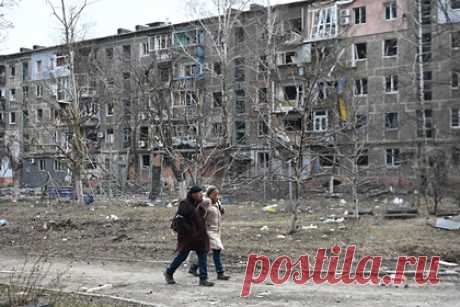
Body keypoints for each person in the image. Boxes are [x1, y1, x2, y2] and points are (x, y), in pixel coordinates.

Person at [164, 186, 214, 286]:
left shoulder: (200, 204)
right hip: (187, 236)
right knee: (182, 255)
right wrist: (190, 230)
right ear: (193, 194)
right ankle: (169, 272)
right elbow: (180, 219)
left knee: (202, 254)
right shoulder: (184, 204)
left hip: (200, 234)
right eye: (199, 193)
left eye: (202, 193)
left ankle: (203, 279)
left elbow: (203, 217)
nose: (201, 195)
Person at [188, 185, 230, 280]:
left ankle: (194, 267)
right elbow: (200, 216)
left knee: (204, 252)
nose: (217, 196)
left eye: (217, 195)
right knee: (217, 249)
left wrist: (220, 207)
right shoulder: (206, 203)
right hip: (208, 231)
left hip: (216, 230)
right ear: (209, 194)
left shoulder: (216, 203)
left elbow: (220, 214)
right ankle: (220, 272)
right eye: (214, 195)